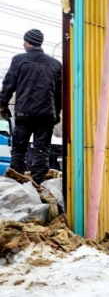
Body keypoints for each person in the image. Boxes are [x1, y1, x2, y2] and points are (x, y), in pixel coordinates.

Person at [0, 29, 62, 184]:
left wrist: (2, 104)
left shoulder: (19, 60)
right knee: (42, 151)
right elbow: (59, 93)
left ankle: (17, 183)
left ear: (29, 42)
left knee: (19, 150)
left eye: (24, 41)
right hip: (46, 115)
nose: (23, 44)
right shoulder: (55, 64)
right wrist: (56, 114)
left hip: (24, 114)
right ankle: (37, 184)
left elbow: (8, 85)